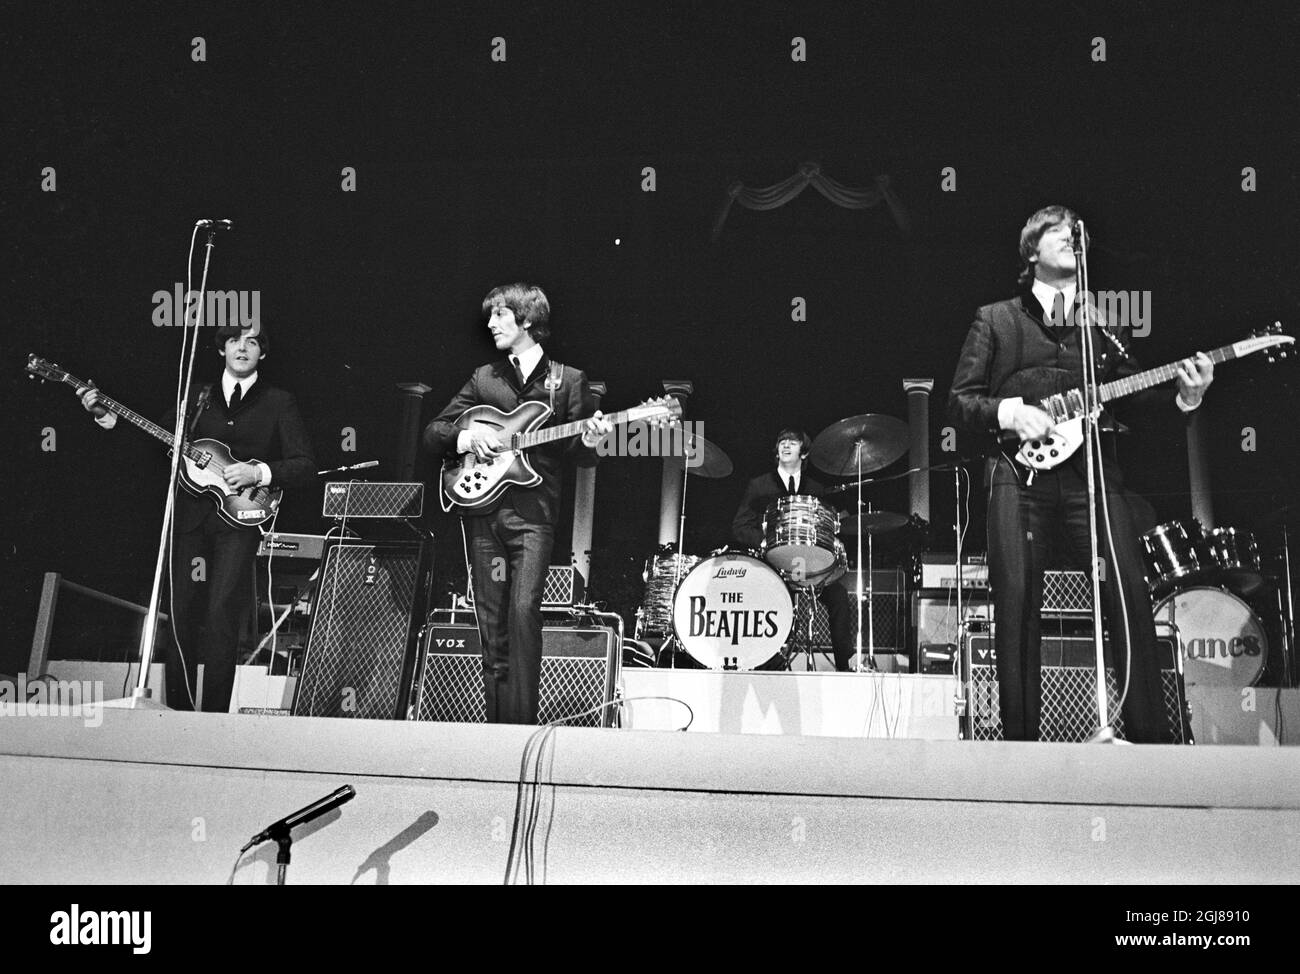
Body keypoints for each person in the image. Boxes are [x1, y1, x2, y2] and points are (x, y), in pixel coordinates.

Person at [948, 205, 1213, 742]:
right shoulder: (995, 318)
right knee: (1017, 599)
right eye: (1057, 231)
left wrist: (1188, 396)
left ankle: (1150, 742)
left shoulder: (1102, 326)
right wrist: (1009, 412)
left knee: (1128, 591)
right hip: (1014, 475)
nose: (1072, 237)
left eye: (1077, 233)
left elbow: (1139, 398)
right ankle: (1022, 750)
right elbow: (960, 401)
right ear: (1031, 250)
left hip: (1091, 471)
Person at [80, 322, 316, 712]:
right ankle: (178, 712)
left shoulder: (279, 400)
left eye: (253, 342)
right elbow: (155, 438)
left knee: (222, 612)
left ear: (263, 353)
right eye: (235, 340)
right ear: (221, 348)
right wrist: (110, 419)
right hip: (189, 520)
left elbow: (305, 465)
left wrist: (259, 473)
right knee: (183, 613)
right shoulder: (196, 397)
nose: (243, 347)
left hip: (239, 521)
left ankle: (213, 719)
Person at [423, 284, 612, 724]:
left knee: (523, 610)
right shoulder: (483, 377)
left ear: (526, 319)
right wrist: (467, 437)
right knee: (491, 618)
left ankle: (521, 725)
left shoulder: (568, 379)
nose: (490, 324)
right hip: (483, 512)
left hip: (533, 516)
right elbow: (434, 431)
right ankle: (496, 728)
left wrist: (591, 440)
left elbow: (580, 455)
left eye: (499, 316)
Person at [732, 429, 855, 671]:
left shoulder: (816, 488)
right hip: (773, 565)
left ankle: (844, 665)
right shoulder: (759, 485)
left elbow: (824, 529)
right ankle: (764, 661)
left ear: (804, 452)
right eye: (781, 442)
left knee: (839, 596)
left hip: (808, 566)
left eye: (793, 442)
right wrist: (765, 542)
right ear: (776, 451)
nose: (786, 445)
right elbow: (739, 526)